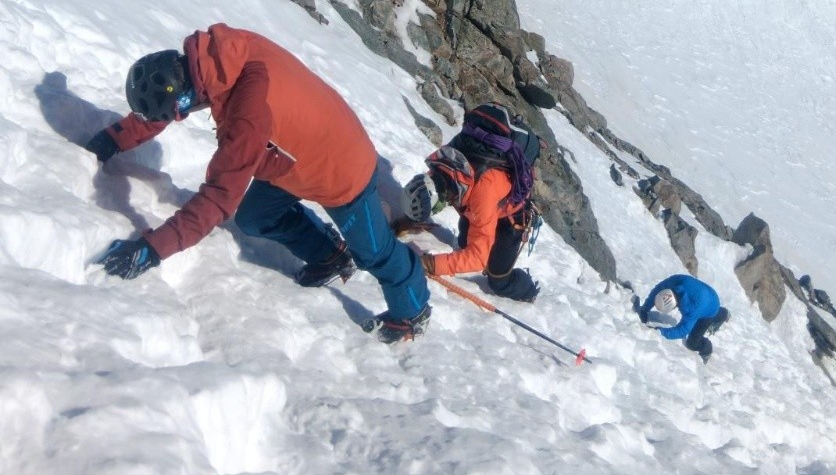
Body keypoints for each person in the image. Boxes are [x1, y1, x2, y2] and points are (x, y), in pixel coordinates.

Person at [85, 24, 430, 344]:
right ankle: (329, 255)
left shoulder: (247, 117)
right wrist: (113, 139)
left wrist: (152, 249)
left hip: (342, 170)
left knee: (374, 253)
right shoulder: (216, 57)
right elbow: (169, 103)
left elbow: (218, 199)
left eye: (177, 112)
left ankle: (413, 312)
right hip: (297, 151)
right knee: (254, 217)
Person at [403, 104, 540, 302]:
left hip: (509, 218)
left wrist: (431, 264)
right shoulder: (442, 166)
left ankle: (529, 291)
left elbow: (477, 258)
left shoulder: (482, 193)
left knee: (498, 281)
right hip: (478, 204)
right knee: (464, 243)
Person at [636, 274, 728, 361]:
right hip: (707, 293)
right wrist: (645, 309)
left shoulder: (692, 309)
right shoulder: (675, 282)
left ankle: (707, 350)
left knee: (692, 342)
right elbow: (657, 291)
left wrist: (660, 332)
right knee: (702, 309)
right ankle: (723, 313)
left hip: (710, 308)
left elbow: (682, 331)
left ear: (676, 304)